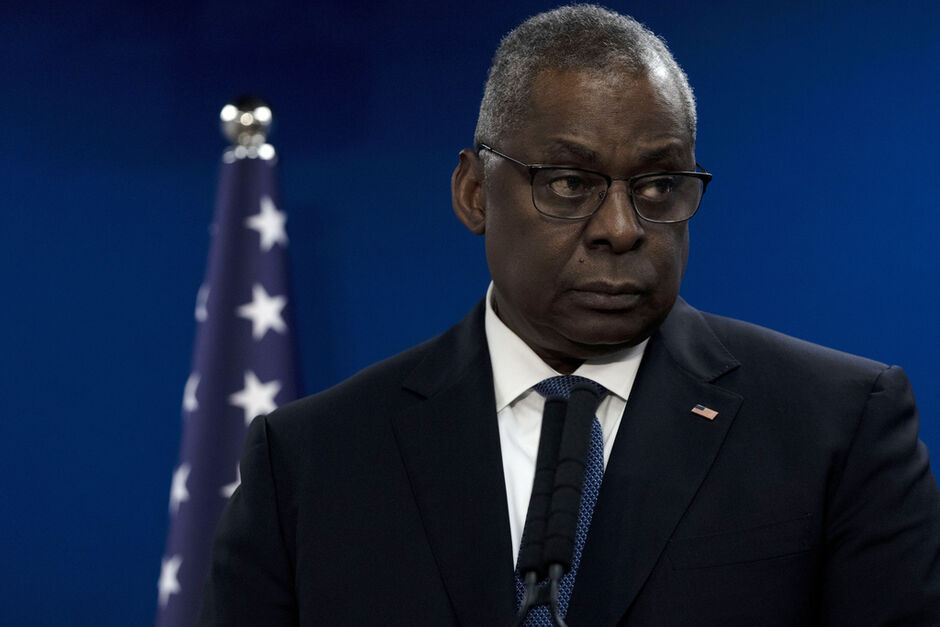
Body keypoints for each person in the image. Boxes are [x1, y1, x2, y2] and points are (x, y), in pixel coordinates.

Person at [198, 5, 940, 625]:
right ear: (474, 194)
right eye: (568, 182)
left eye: (658, 184)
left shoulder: (837, 425)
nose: (620, 227)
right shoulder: (310, 461)